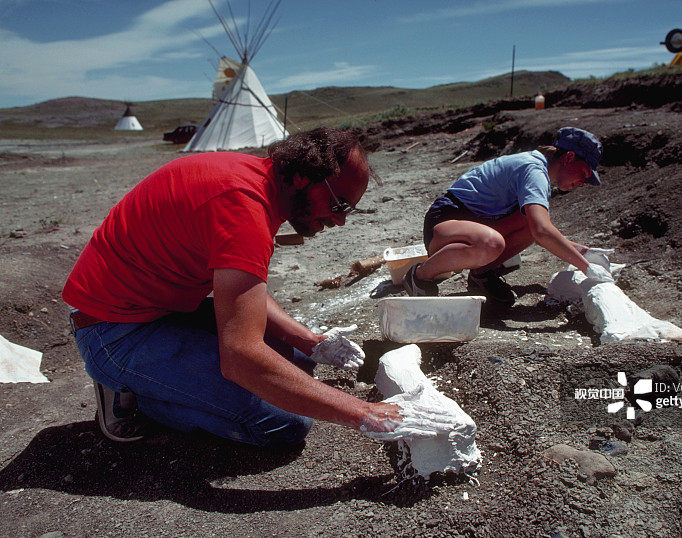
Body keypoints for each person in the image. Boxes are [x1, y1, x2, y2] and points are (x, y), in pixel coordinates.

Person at [63, 127, 456, 447]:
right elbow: (240, 358)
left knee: (297, 366)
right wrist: (361, 412)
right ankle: (128, 390)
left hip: (158, 309)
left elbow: (240, 283)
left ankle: (159, 379)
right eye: (338, 206)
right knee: (284, 422)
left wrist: (309, 342)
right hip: (113, 331)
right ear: (304, 175)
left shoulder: (254, 181)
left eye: (347, 211)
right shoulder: (243, 207)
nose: (339, 222)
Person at [403, 127, 615, 305]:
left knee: (528, 223)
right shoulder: (534, 170)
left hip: (476, 225)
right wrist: (586, 267)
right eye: (583, 174)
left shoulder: (538, 170)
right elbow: (543, 231)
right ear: (569, 157)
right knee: (493, 243)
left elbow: (538, 229)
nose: (581, 183)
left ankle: (482, 275)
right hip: (445, 221)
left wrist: (581, 251)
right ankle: (419, 275)